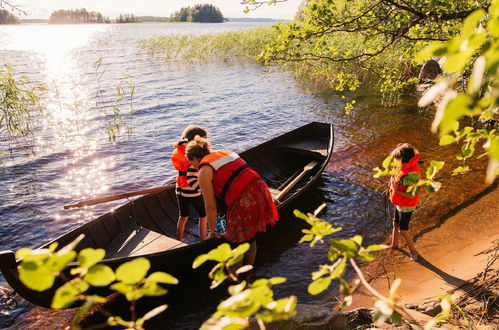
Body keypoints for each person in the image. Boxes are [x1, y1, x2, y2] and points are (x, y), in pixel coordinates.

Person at [185, 136, 278, 265]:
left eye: (192, 163)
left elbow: (210, 206)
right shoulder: (226, 152)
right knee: (249, 236)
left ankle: (235, 276)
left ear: (195, 158)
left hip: (244, 199)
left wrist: (212, 232)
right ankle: (249, 268)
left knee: (235, 242)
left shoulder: (203, 170)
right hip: (261, 189)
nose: (193, 167)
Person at [171, 125, 208, 242]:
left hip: (180, 188)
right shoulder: (194, 156)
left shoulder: (180, 150)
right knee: (203, 215)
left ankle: (179, 240)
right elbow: (192, 176)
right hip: (192, 190)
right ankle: (203, 239)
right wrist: (202, 190)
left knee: (183, 216)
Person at [388, 143, 421, 261]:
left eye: (397, 159)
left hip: (407, 206)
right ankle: (394, 245)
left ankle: (414, 251)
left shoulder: (412, 174)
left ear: (405, 160)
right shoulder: (402, 168)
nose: (395, 161)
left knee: (403, 230)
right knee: (395, 224)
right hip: (399, 203)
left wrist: (396, 191)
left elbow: (412, 194)